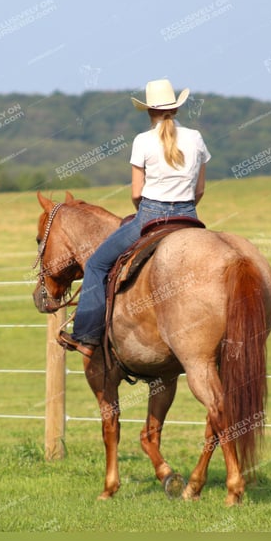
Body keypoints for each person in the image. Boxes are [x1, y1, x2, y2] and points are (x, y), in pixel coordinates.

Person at [58, 79, 211, 357]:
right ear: (176, 109)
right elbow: (199, 190)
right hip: (190, 216)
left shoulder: (143, 141)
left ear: (148, 111)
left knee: (96, 264)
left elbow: (137, 193)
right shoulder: (196, 137)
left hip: (150, 216)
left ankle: (86, 337)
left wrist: (149, 209)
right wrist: (183, 208)